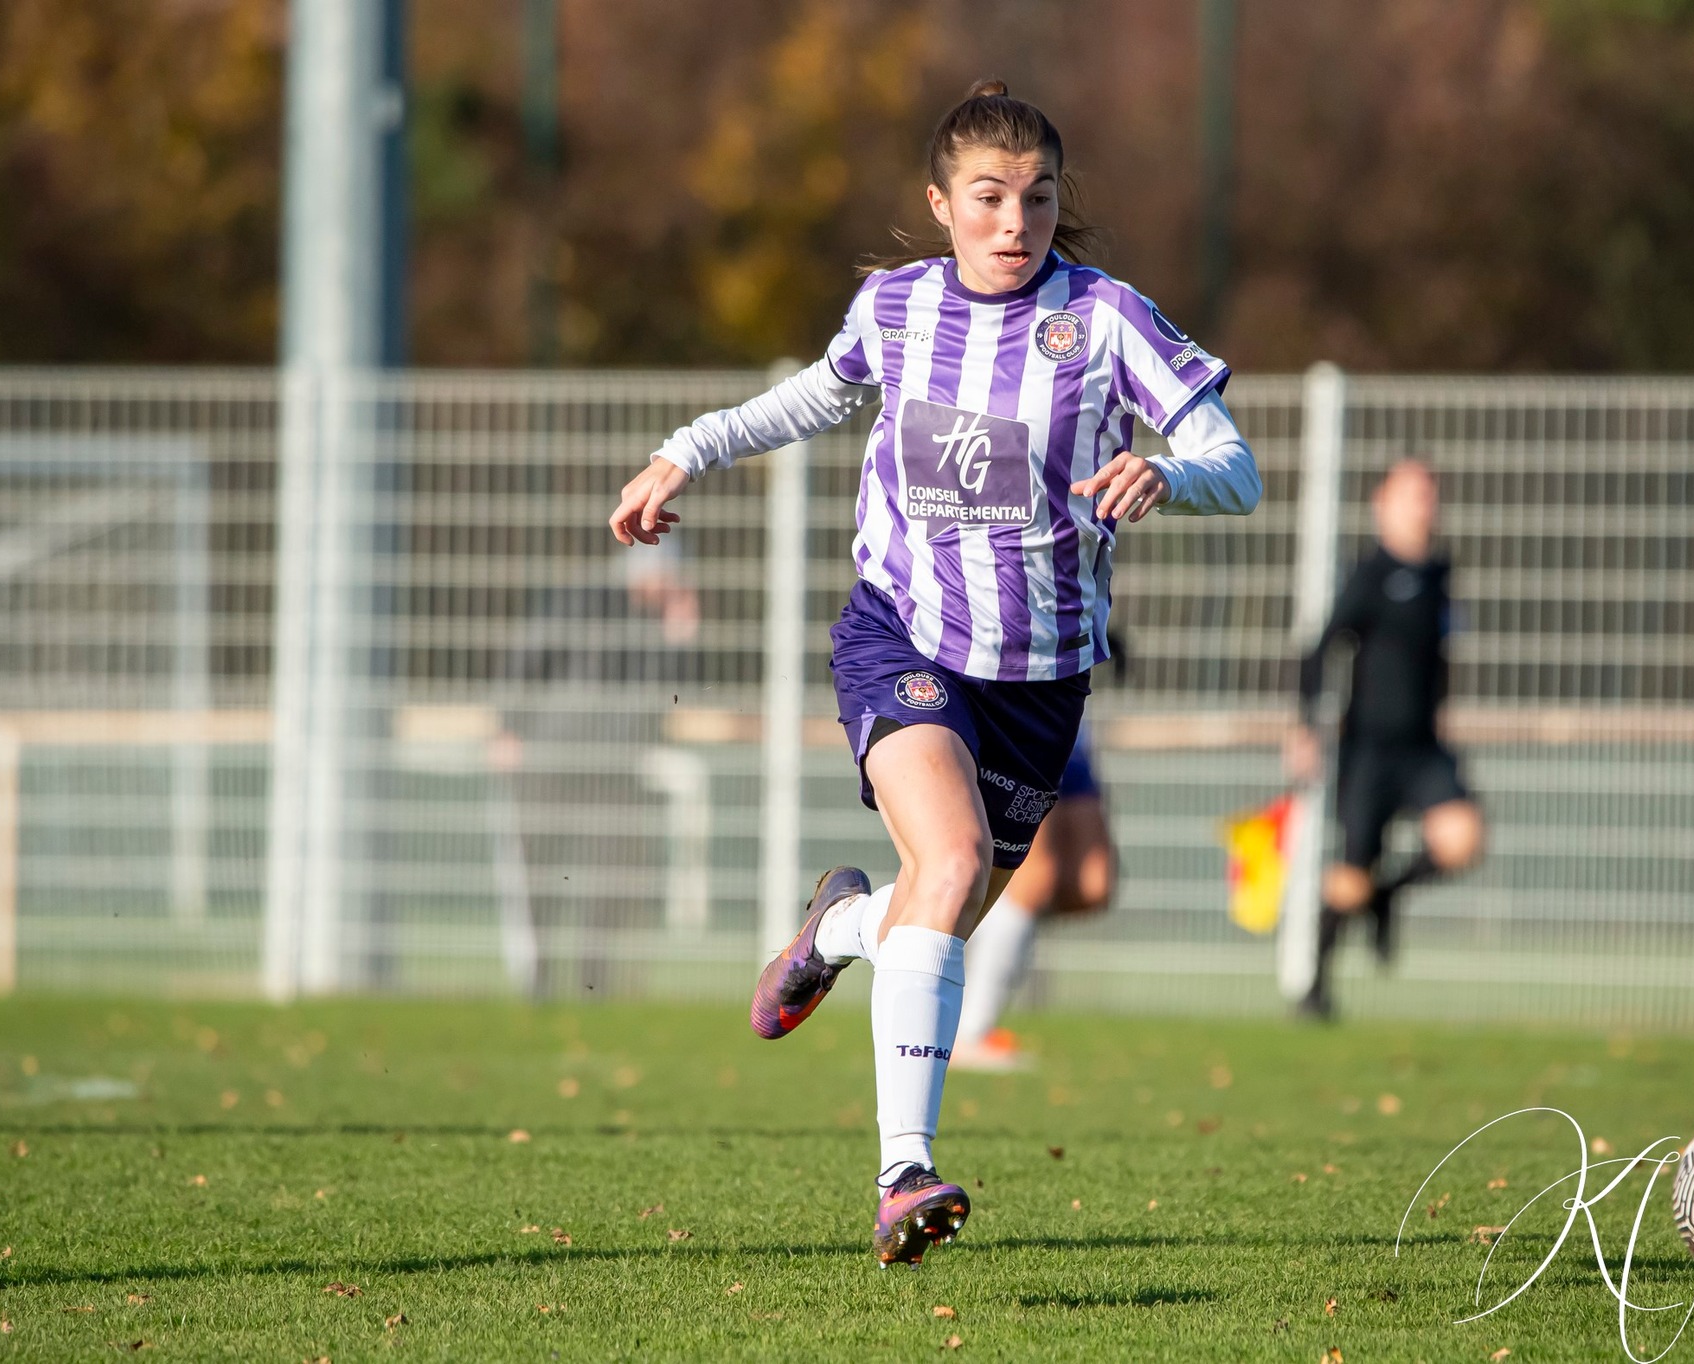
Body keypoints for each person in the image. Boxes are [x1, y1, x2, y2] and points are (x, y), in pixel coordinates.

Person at [608, 81, 1259, 1266]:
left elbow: (1236, 460)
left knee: (936, 908)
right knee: (949, 858)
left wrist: (1172, 474)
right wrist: (684, 448)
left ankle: (833, 928)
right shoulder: (897, 306)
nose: (1015, 223)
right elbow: (819, 391)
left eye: (1038, 198)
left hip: (1040, 680)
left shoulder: (1105, 319)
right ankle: (901, 1171)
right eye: (989, 198)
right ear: (941, 205)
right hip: (899, 635)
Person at [1288, 458, 1482, 1020]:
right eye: (1413, 495)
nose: (1426, 506)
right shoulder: (1372, 575)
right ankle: (1313, 991)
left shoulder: (1440, 574)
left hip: (1423, 747)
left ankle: (1388, 895)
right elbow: (1319, 648)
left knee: (1463, 840)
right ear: (1384, 505)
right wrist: (1306, 727)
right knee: (1349, 879)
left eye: (1431, 494)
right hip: (1369, 749)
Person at [489, 537, 699, 997]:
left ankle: (593, 986)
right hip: (549, 761)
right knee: (540, 882)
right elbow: (529, 657)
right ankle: (538, 984)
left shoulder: (656, 629)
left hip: (613, 772)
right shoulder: (583, 601)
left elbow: (657, 704)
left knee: (606, 885)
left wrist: (676, 642)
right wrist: (508, 727)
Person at [949, 710, 1115, 1073]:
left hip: (1069, 726)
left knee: (1093, 885)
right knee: (1034, 880)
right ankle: (971, 1032)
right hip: (1023, 715)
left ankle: (980, 935)